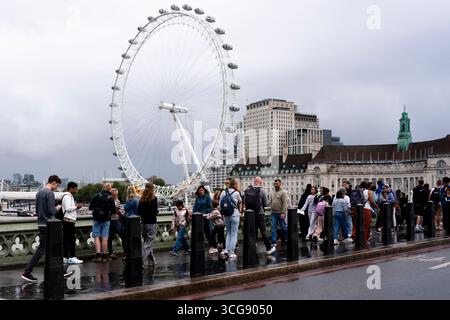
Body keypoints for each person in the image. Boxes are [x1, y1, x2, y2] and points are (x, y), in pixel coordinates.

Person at [22, 175, 65, 282]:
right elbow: (52, 211)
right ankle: (27, 272)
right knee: (50, 249)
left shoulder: (39, 192)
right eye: (57, 185)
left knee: (46, 249)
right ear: (54, 182)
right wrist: (59, 207)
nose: (57, 188)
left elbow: (37, 210)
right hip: (49, 225)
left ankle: (58, 271)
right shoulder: (49, 193)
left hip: (41, 223)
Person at [244, 177, 276, 255]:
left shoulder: (247, 191)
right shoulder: (262, 191)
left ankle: (252, 247)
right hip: (260, 213)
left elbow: (245, 202)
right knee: (263, 232)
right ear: (260, 182)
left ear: (254, 182)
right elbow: (265, 204)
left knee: (252, 232)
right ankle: (269, 248)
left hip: (250, 214)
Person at [89, 183, 116, 262]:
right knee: (105, 237)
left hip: (96, 219)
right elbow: (114, 211)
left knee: (96, 237)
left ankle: (98, 255)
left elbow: (90, 207)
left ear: (103, 188)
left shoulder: (97, 196)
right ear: (109, 189)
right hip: (106, 220)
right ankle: (104, 255)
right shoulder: (110, 198)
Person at [219, 178, 243, 259]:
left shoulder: (223, 192)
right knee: (234, 234)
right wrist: (240, 211)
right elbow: (240, 201)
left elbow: (220, 205)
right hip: (234, 214)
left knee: (228, 233)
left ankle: (226, 249)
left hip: (226, 215)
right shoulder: (236, 193)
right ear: (235, 184)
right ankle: (231, 252)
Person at [62, 182, 83, 264]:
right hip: (69, 221)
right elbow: (67, 208)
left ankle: (66, 257)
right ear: (71, 188)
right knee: (71, 240)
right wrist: (76, 207)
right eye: (76, 189)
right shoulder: (68, 196)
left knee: (66, 240)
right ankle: (72, 257)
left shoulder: (67, 196)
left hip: (67, 221)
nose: (76, 190)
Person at [138, 183, 159, 266]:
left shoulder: (141, 199)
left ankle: (151, 261)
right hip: (151, 223)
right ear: (152, 189)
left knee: (147, 242)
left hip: (143, 223)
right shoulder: (154, 199)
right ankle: (140, 260)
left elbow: (138, 211)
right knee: (149, 243)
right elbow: (155, 212)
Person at [192, 185, 213, 250]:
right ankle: (200, 246)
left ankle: (212, 245)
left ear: (204, 191)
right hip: (198, 217)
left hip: (206, 217)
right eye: (199, 190)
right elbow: (195, 207)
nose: (201, 191)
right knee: (199, 232)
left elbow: (210, 207)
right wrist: (193, 213)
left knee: (208, 232)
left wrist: (204, 212)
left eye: (202, 190)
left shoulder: (207, 198)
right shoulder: (197, 198)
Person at [269, 179, 288, 246]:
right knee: (273, 227)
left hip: (280, 213)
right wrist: (271, 211)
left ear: (280, 184)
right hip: (273, 213)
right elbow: (271, 202)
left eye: (277, 183)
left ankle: (286, 238)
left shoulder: (283, 192)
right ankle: (273, 241)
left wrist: (283, 212)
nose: (275, 185)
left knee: (283, 227)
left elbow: (285, 203)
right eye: (275, 183)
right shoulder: (273, 192)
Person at [108, 188, 125, 260]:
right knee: (112, 238)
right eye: (114, 195)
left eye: (116, 195)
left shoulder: (116, 201)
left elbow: (119, 211)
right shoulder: (112, 201)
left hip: (114, 221)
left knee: (111, 238)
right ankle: (112, 253)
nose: (115, 196)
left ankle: (112, 253)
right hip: (113, 221)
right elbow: (117, 211)